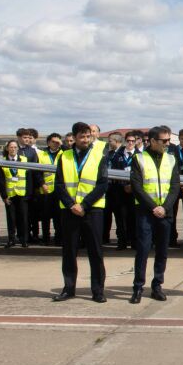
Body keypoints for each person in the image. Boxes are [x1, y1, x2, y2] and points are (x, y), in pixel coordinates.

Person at [52, 122, 110, 302]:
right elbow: (59, 185)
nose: (85, 140)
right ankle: (68, 288)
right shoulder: (64, 156)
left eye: (88, 136)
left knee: (95, 252)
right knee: (69, 251)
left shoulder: (99, 155)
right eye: (82, 137)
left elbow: (102, 184)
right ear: (74, 138)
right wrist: (71, 205)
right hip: (70, 211)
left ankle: (98, 291)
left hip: (92, 210)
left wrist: (84, 205)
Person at [130, 126, 183, 303]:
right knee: (143, 250)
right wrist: (154, 207)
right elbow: (137, 187)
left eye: (169, 140)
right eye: (164, 141)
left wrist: (165, 208)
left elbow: (175, 186)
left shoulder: (171, 159)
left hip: (165, 213)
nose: (168, 143)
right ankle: (138, 287)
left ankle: (157, 286)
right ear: (153, 141)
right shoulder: (139, 158)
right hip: (146, 212)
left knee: (162, 251)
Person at [0, 140, 30, 248]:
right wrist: (4, 196)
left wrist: (28, 194)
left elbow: (29, 178)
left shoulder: (24, 160)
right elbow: (0, 181)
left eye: (15, 147)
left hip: (22, 194)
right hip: (10, 195)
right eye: (11, 147)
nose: (13, 149)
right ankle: (11, 239)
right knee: (11, 218)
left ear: (18, 149)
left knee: (23, 218)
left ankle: (24, 240)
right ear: (7, 148)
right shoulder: (3, 162)